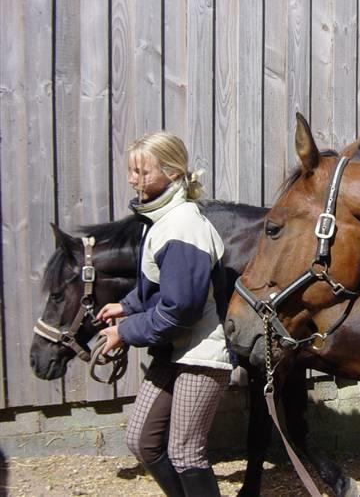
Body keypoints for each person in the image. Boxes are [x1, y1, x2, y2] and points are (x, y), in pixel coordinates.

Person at [97, 132, 230, 497]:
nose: (132, 179)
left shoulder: (183, 224)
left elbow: (180, 309)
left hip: (202, 354)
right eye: (131, 171)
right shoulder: (165, 221)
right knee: (142, 440)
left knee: (186, 453)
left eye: (142, 171)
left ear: (172, 173)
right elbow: (162, 287)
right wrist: (129, 306)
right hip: (176, 350)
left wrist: (125, 332)